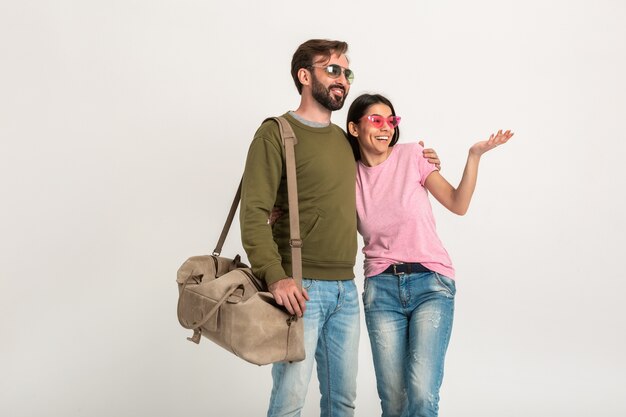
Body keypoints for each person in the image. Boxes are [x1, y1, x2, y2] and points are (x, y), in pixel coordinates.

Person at [239, 40, 440, 417]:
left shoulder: (344, 142)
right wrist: (276, 277)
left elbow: (382, 157)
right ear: (303, 76)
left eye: (347, 72)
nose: (342, 80)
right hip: (299, 288)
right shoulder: (275, 133)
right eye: (332, 69)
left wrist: (424, 158)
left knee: (341, 402)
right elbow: (253, 214)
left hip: (347, 290)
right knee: (290, 400)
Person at [345, 93, 513, 417]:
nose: (385, 128)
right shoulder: (347, 176)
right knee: (394, 403)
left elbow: (457, 203)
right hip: (381, 290)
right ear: (354, 127)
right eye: (375, 120)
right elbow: (320, 208)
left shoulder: (412, 156)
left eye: (391, 121)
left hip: (431, 284)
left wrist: (474, 155)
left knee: (422, 395)